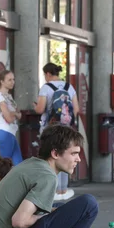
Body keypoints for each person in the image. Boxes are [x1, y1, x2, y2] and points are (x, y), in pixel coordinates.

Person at [34, 63, 80, 201]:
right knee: (65, 156)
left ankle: (51, 190)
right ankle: (63, 189)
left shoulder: (46, 88)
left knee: (50, 158)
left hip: (51, 129)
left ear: (47, 74)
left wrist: (35, 106)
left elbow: (40, 110)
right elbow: (76, 110)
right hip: (66, 130)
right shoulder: (69, 87)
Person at [0, 70, 23, 165]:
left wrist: (14, 113)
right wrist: (15, 114)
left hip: (11, 132)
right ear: (2, 81)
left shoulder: (9, 97)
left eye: (13, 79)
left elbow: (19, 114)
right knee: (4, 166)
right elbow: (9, 118)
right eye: (9, 80)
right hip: (4, 132)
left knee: (18, 165)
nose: (12, 82)